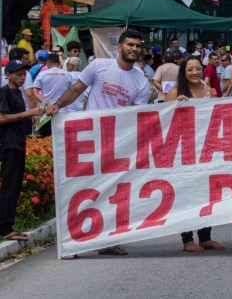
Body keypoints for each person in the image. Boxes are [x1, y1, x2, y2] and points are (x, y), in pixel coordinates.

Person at [46, 29, 150, 256]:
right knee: (79, 189)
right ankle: (72, 244)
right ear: (120, 46)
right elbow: (75, 90)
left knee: (113, 192)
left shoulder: (141, 82)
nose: (134, 49)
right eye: (130, 44)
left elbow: (136, 117)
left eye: (138, 46)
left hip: (116, 144)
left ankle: (108, 240)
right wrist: (57, 105)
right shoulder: (99, 66)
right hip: (88, 141)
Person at [166, 56, 226, 252]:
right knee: (186, 194)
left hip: (207, 150)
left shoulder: (210, 91)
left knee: (207, 194)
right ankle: (187, 239)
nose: (194, 73)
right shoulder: (175, 92)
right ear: (183, 72)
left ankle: (205, 236)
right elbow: (163, 120)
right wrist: (176, 106)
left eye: (197, 69)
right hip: (184, 152)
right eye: (190, 69)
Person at [0, 59, 44, 242]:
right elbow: (2, 118)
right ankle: (4, 228)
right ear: (8, 75)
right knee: (10, 186)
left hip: (18, 142)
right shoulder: (5, 92)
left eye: (24, 73)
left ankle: (8, 225)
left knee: (15, 185)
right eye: (18, 74)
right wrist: (28, 113)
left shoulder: (17, 92)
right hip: (9, 144)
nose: (22, 76)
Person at [32, 53, 72, 137]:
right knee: (61, 139)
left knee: (44, 140)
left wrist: (46, 103)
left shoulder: (42, 74)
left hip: (46, 112)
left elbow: (35, 93)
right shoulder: (68, 74)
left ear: (47, 63)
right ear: (58, 63)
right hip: (62, 111)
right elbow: (72, 92)